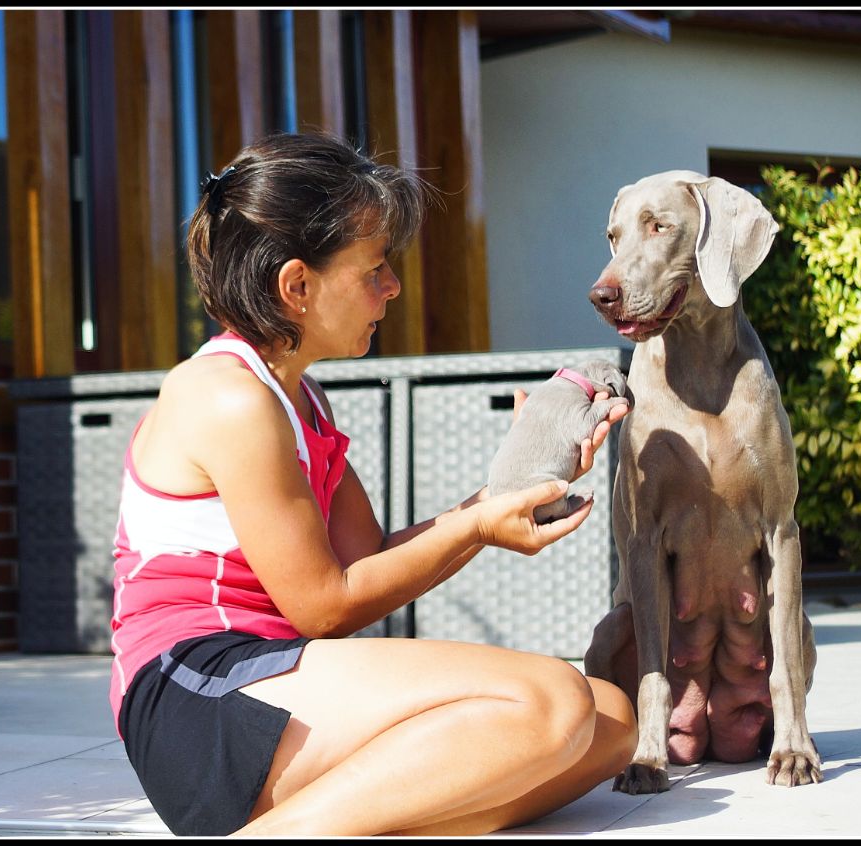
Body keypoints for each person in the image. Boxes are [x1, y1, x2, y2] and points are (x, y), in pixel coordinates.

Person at [109, 131, 636, 837]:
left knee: (611, 724)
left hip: (271, 677)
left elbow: (363, 566)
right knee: (549, 705)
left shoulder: (303, 398)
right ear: (297, 286)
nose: (390, 286)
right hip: (196, 697)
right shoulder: (228, 398)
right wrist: (474, 527)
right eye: (374, 269)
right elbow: (325, 607)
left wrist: (505, 495)